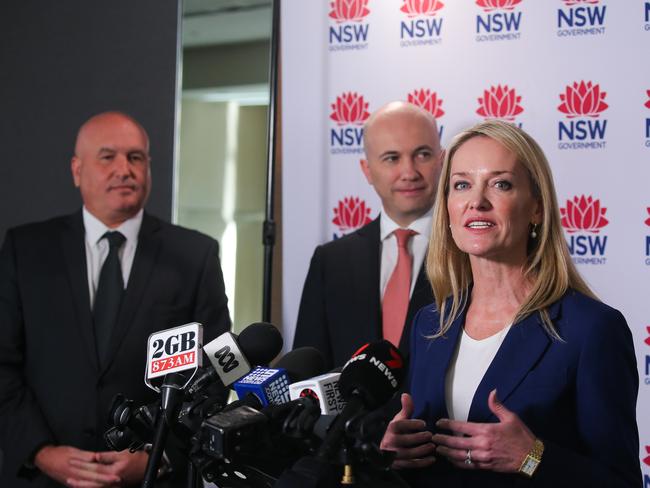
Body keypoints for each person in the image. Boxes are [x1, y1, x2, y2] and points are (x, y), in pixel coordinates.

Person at [380, 120, 641, 487]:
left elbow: (622, 482)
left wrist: (532, 457)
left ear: (536, 208)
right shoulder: (429, 322)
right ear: (448, 208)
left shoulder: (591, 329)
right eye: (461, 185)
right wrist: (393, 456)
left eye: (500, 184)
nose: (476, 201)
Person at [0, 111, 231, 487]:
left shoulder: (194, 255)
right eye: (107, 157)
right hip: (44, 478)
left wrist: (160, 455)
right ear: (77, 170)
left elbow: (218, 371)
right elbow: (2, 365)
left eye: (136, 157)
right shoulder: (26, 251)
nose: (124, 169)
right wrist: (41, 452)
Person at [293, 101, 443, 369]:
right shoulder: (331, 261)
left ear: (441, 159)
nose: (409, 172)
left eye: (422, 154)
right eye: (392, 158)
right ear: (367, 170)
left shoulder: (471, 253)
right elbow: (308, 373)